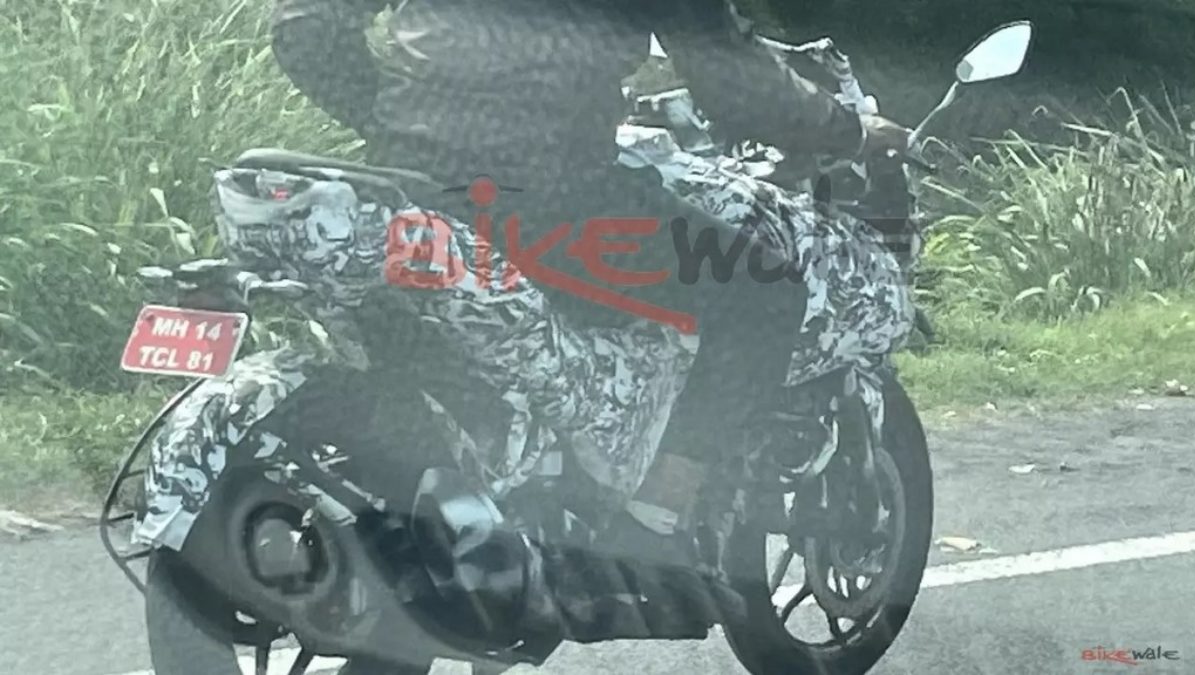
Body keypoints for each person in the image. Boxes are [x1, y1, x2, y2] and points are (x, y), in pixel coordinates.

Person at [268, 0, 912, 647]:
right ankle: (653, 528)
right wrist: (851, 132)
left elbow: (304, 24)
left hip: (408, 178)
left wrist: (391, 118)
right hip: (550, 196)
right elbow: (733, 82)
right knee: (765, 294)